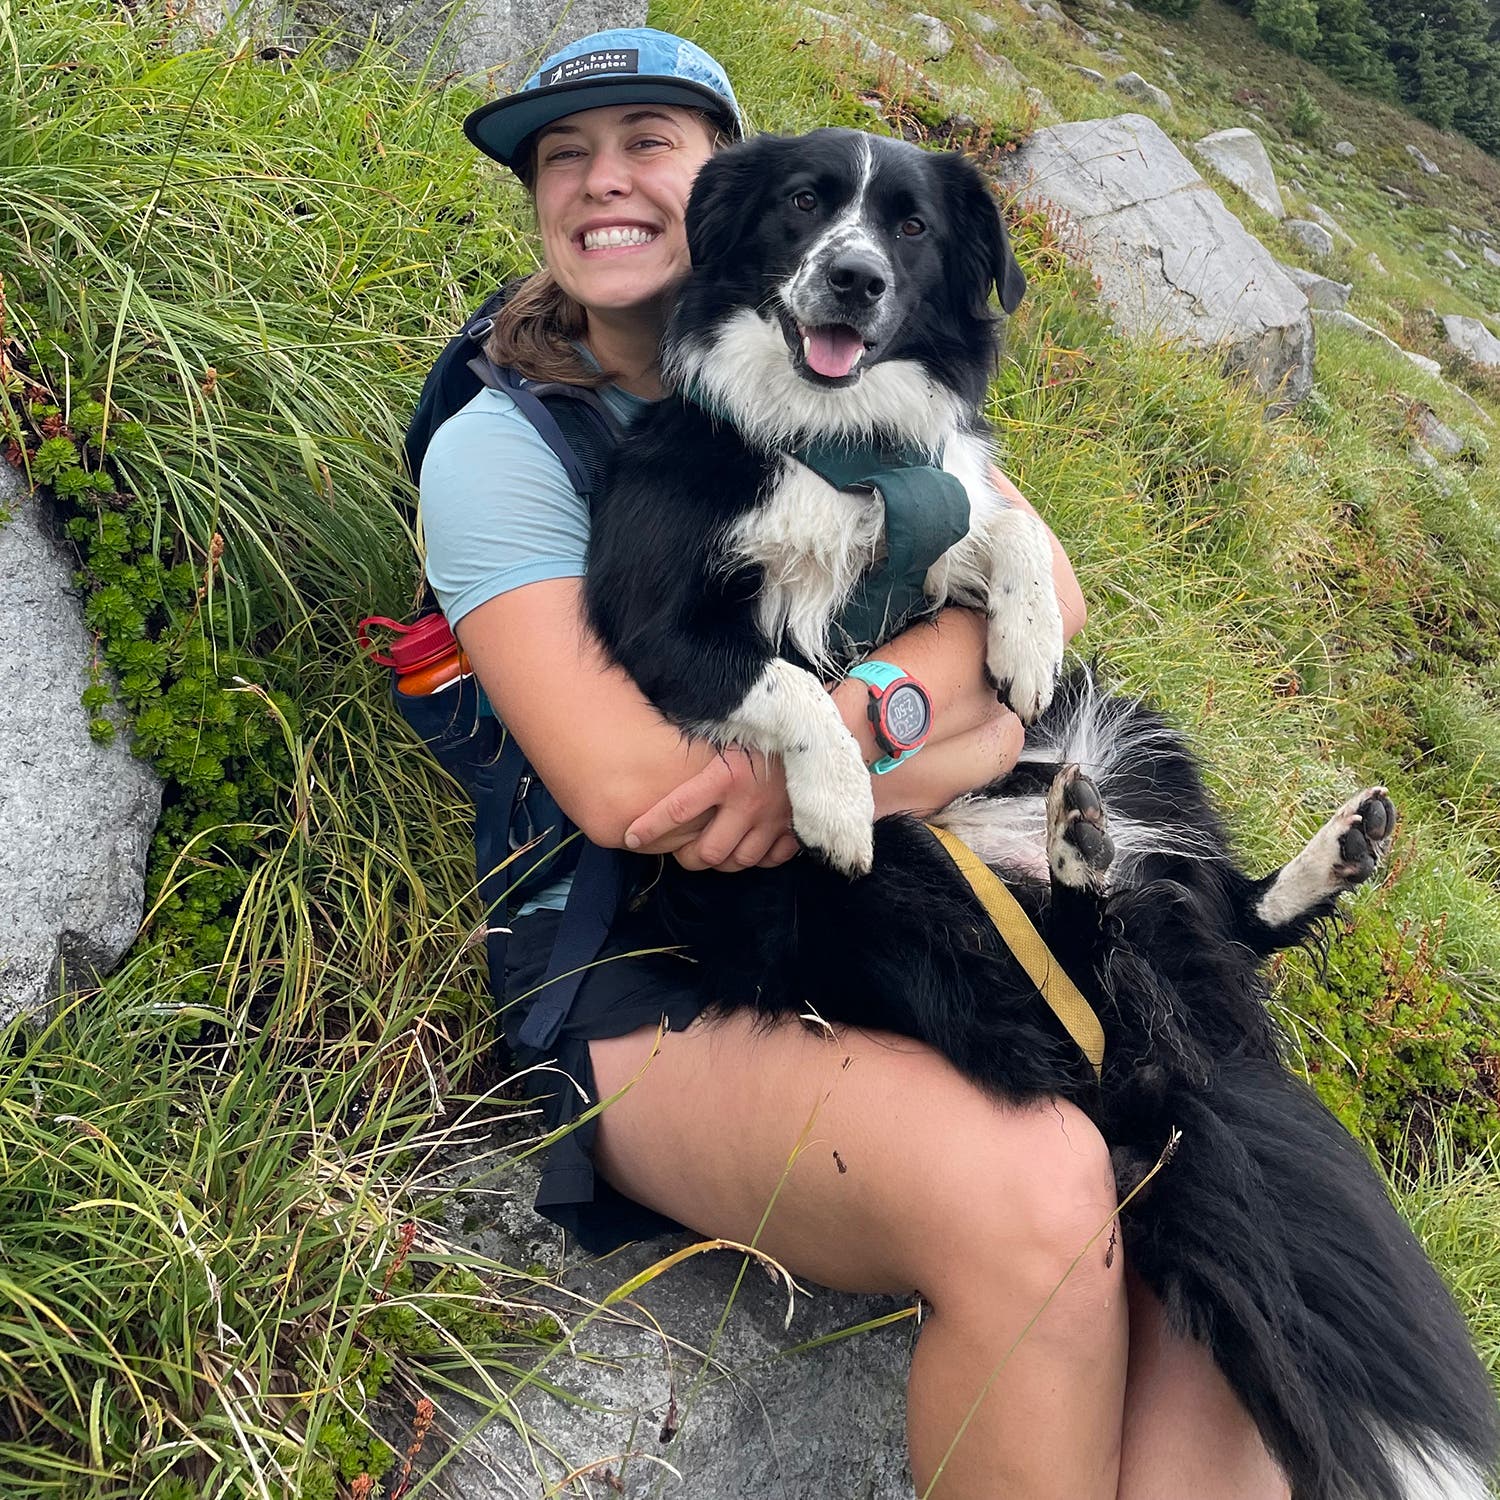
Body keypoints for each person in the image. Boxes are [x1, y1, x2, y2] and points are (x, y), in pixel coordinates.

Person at [420, 28, 1291, 1500]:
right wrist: (941, 729)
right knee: (1041, 1193)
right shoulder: (506, 450)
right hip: (646, 965)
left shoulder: (883, 402)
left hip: (882, 909)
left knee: (1214, 1191)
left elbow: (1044, 612)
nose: (603, 182)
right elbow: (649, 799)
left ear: (721, 191)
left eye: (649, 143)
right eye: (565, 155)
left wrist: (929, 718)